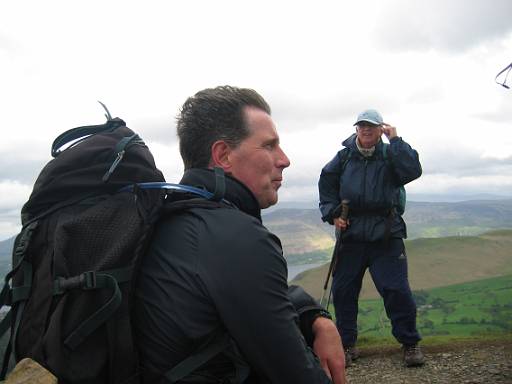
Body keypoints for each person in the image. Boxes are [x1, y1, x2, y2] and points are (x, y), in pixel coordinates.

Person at [134, 86, 346, 383]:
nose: (284, 159)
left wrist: (315, 317)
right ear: (223, 155)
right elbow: (296, 373)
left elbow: (256, 291)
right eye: (269, 145)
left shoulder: (175, 218)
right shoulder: (236, 237)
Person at [318, 109, 425, 367]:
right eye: (361, 126)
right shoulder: (343, 158)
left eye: (372, 126)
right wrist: (333, 214)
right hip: (351, 234)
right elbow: (326, 185)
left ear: (381, 129)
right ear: (356, 129)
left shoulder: (391, 155)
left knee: (396, 290)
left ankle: (410, 344)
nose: (366, 130)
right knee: (344, 291)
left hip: (386, 233)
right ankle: (346, 345)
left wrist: (396, 141)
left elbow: (412, 171)